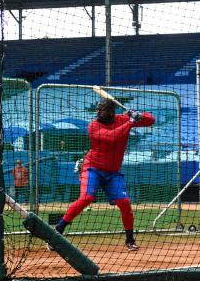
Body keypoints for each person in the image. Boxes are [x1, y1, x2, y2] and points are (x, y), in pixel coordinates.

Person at [53, 99, 155, 251]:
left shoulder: (123, 118)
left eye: (102, 110)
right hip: (92, 168)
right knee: (86, 198)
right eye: (98, 110)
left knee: (125, 203)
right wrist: (131, 122)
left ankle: (129, 240)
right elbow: (111, 137)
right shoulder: (93, 125)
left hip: (113, 173)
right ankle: (57, 232)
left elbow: (151, 120)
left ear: (112, 112)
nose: (98, 113)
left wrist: (138, 114)